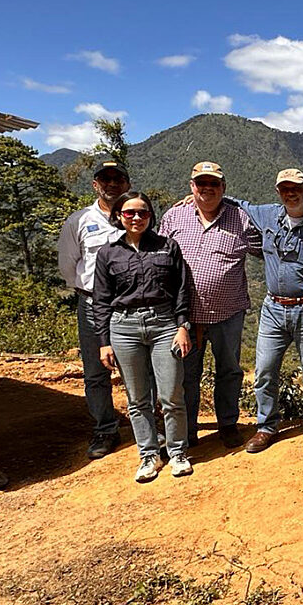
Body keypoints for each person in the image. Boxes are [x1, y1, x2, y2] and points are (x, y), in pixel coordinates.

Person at [224, 169, 303, 453]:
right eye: (284, 189)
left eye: (296, 188)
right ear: (278, 192)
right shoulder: (267, 215)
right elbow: (236, 203)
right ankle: (266, 426)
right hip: (273, 307)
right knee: (264, 370)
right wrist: (194, 199)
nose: (290, 193)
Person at [158, 162, 261, 448]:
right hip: (185, 316)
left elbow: (268, 249)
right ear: (191, 187)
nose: (207, 189)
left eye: (213, 184)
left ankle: (227, 423)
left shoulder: (240, 219)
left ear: (223, 188)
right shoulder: (173, 216)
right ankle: (188, 430)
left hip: (228, 312)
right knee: (185, 374)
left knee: (229, 370)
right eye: (201, 183)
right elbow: (159, 258)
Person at [92, 192, 193, 482]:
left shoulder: (167, 247)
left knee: (171, 394)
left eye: (143, 212)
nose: (136, 218)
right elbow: (101, 301)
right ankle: (149, 455)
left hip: (164, 324)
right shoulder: (108, 254)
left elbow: (182, 289)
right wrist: (104, 342)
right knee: (137, 399)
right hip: (123, 327)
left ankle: (177, 453)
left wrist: (183, 325)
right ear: (119, 216)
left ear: (151, 215)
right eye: (129, 213)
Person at [58, 160, 131, 459]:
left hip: (128, 304)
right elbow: (67, 265)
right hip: (91, 304)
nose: (112, 183)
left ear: (126, 184)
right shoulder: (79, 221)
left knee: (137, 369)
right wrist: (91, 291)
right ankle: (105, 430)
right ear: (95, 184)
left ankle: (150, 427)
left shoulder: (135, 215)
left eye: (118, 179)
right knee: (95, 372)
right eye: (105, 178)